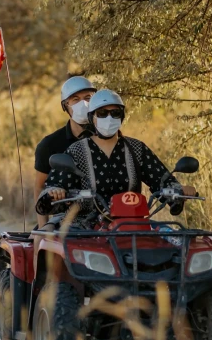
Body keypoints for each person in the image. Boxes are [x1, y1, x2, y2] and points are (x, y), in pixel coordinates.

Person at [36, 90, 196, 229]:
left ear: (122, 116)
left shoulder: (137, 148)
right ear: (92, 117)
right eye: (102, 114)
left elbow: (162, 179)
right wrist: (55, 192)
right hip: (84, 226)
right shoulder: (77, 150)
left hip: (133, 224)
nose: (109, 118)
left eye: (115, 113)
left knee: (172, 241)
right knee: (52, 243)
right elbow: (53, 186)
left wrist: (179, 190)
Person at [33, 76, 96, 210]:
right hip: (65, 221)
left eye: (88, 98)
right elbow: (39, 188)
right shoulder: (49, 144)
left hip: (105, 216)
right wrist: (43, 227)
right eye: (75, 99)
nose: (83, 103)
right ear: (65, 105)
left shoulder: (106, 138)